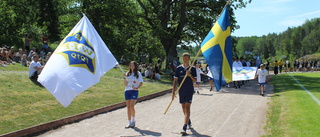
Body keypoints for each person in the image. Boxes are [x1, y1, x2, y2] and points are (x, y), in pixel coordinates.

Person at [172, 52, 196, 135]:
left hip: (189, 90)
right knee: (183, 108)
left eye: (186, 58)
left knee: (187, 107)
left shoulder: (192, 68)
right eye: (183, 58)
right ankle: (188, 121)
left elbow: (195, 81)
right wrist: (173, 91)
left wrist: (190, 75)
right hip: (181, 90)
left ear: (189, 59)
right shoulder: (178, 68)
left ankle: (184, 127)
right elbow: (175, 80)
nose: (185, 59)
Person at [123, 61, 143, 128]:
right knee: (128, 107)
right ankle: (129, 122)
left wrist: (137, 88)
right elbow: (125, 84)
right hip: (127, 91)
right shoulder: (127, 74)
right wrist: (124, 78)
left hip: (134, 91)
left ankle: (133, 120)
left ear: (135, 66)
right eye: (130, 65)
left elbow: (141, 83)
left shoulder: (138, 74)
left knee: (132, 106)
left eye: (133, 65)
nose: (131, 67)